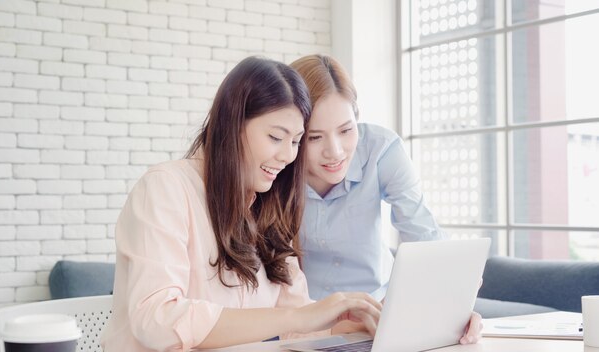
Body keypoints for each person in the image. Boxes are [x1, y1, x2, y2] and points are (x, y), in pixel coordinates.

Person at [100, 57, 381, 352]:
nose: (288, 156)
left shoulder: (267, 208)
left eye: (297, 141)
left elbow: (297, 327)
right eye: (275, 137)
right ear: (232, 125)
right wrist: (294, 318)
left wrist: (350, 322)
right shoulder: (165, 188)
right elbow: (157, 321)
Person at [290, 54, 481, 345]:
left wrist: (454, 307)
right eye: (315, 138)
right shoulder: (278, 164)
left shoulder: (381, 149)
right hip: (303, 322)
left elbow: (424, 235)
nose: (335, 151)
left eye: (346, 130)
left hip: (375, 318)